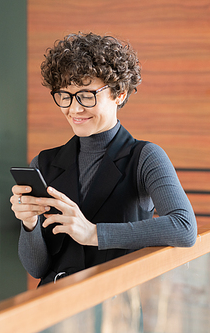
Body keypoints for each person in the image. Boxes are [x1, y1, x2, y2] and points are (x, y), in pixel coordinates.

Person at [11, 32, 197, 286]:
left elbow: (184, 228)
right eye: (65, 95)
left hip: (114, 309)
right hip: (56, 308)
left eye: (87, 95)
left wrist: (94, 233)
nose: (74, 109)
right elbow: (37, 268)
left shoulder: (145, 157)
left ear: (119, 94)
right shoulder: (44, 164)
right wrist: (29, 224)